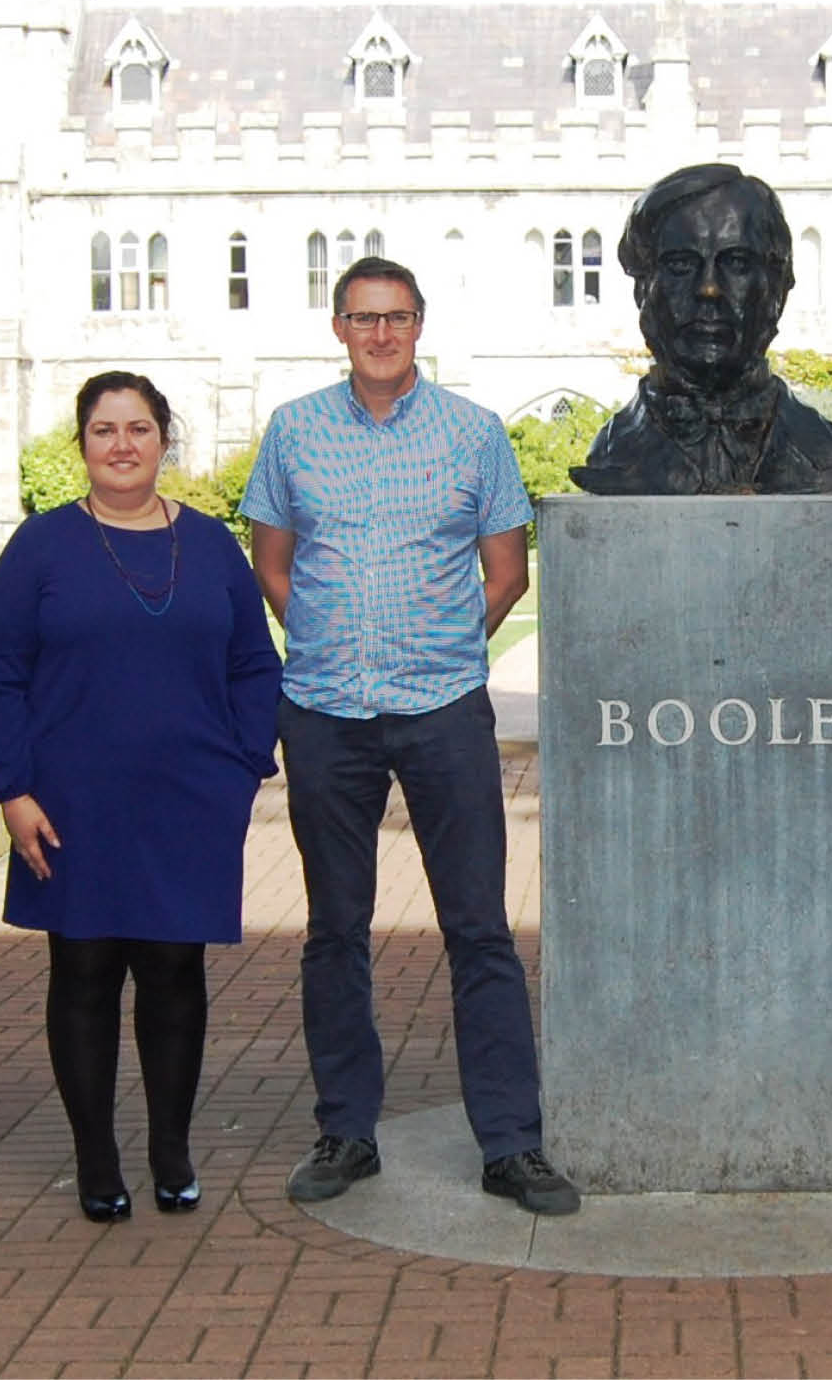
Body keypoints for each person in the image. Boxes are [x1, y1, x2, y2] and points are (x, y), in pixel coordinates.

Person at [240, 257, 581, 1216]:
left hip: (443, 711)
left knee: (479, 927)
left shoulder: (472, 432)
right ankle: (347, 1131)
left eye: (395, 317)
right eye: (363, 317)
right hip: (325, 713)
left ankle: (510, 1141)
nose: (380, 334)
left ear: (420, 324)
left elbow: (506, 571)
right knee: (333, 929)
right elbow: (273, 563)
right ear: (338, 328)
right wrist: (327, 639)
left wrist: (443, 646)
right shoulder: (294, 431)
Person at [0, 372, 281, 1223]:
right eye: (103, 429)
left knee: (175, 969)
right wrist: (10, 789)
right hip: (70, 801)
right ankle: (96, 1155)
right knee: (84, 969)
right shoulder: (41, 546)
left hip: (189, 799)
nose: (122, 444)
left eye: (138, 428)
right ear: (81, 444)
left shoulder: (211, 545)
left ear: (163, 440)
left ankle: (170, 1148)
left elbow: (254, 664)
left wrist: (241, 766)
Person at [567, 162, 832, 495]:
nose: (709, 289)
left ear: (778, 287)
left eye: (737, 262)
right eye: (681, 264)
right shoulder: (614, 455)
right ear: (643, 288)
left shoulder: (825, 454)